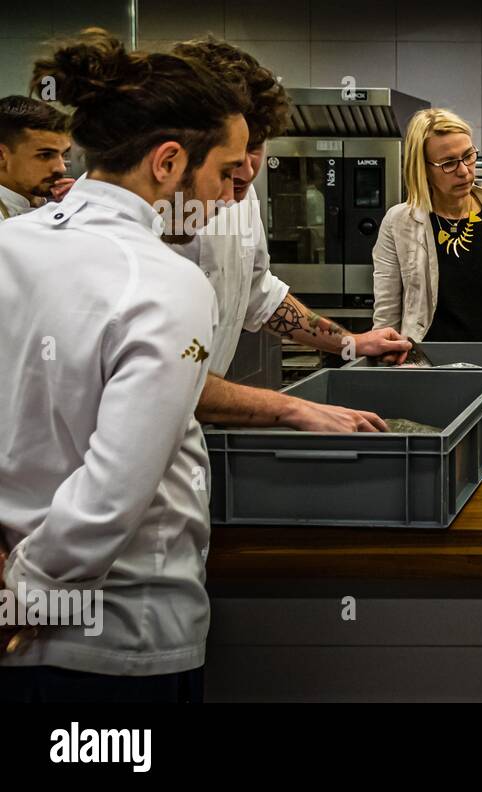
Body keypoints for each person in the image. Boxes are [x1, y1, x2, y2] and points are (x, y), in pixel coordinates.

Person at [0, 29, 249, 702]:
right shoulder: (162, 282)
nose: (231, 197)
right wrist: (24, 596)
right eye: (226, 172)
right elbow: (113, 491)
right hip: (116, 641)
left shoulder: (9, 243)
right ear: (167, 162)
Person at [168, 37, 409, 432]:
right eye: (228, 161)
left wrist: (353, 342)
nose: (245, 173)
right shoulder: (121, 234)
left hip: (187, 441)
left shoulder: (241, 202)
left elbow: (261, 296)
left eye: (256, 148)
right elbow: (167, 379)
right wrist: (292, 409)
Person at [372, 108, 482, 343]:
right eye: (448, 163)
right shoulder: (399, 222)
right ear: (423, 168)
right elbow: (386, 319)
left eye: (468, 156)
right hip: (430, 370)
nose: (464, 171)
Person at [0, 95, 73, 221]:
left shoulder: (60, 201)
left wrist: (76, 207)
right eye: (45, 155)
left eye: (64, 154)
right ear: (1, 155)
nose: (62, 168)